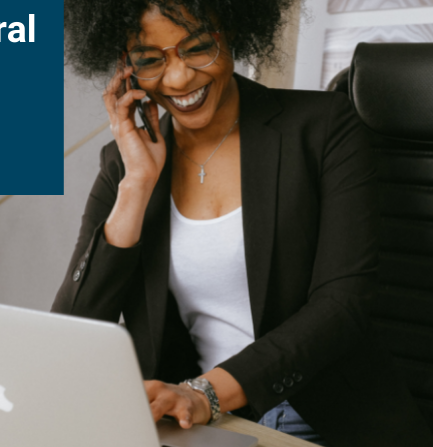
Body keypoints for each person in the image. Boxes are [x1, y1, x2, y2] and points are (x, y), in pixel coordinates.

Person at [53, 1, 433, 446]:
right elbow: (73, 331)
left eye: (197, 48)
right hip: (191, 422)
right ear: (126, 65)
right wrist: (137, 184)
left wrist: (205, 393)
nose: (177, 79)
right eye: (150, 59)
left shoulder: (323, 128)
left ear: (232, 32)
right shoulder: (124, 164)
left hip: (320, 417)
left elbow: (343, 303)